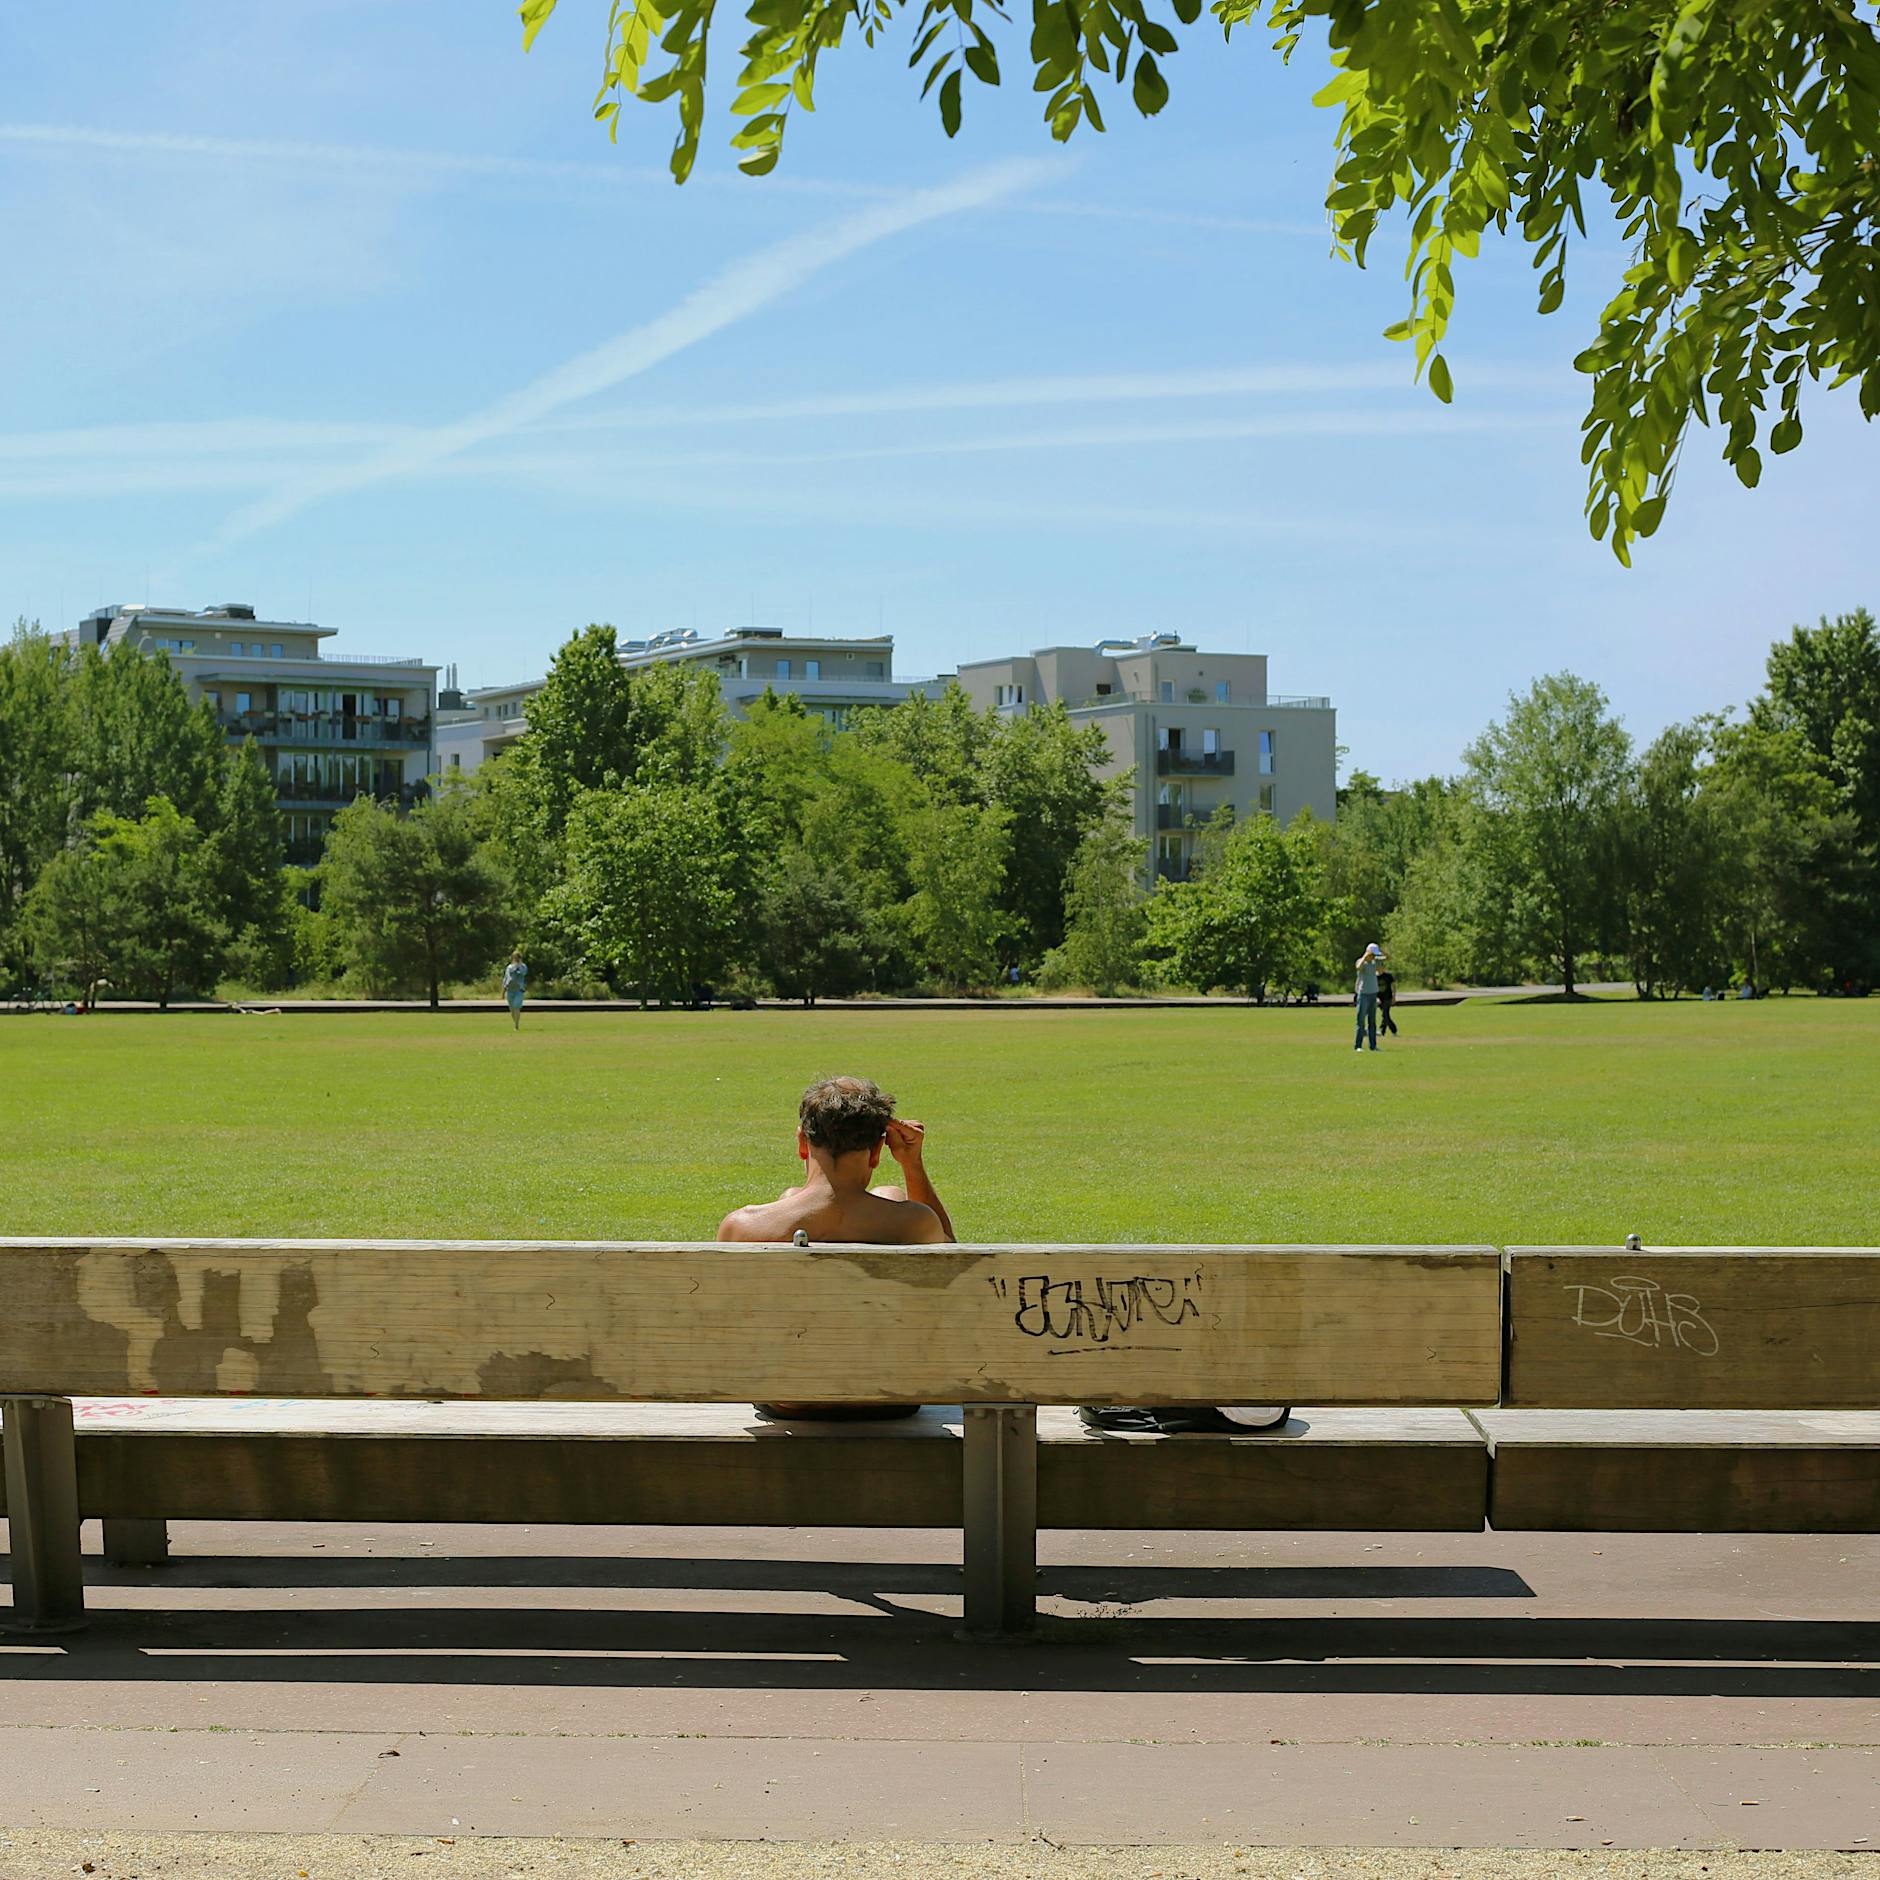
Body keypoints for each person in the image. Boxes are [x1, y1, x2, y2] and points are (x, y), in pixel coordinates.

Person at [718, 1075, 954, 1420]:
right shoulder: (915, 1224)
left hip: (788, 1398)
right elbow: (955, 1262)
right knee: (890, 1195)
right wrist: (911, 1163)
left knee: (793, 1198)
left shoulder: (742, 1227)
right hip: (889, 1399)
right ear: (876, 1153)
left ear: (802, 1143)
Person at [1353, 943, 1384, 1052]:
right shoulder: (1361, 962)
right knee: (1360, 1021)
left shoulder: (1375, 963)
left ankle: (1373, 1045)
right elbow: (1358, 967)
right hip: (1363, 994)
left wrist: (1380, 960)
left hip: (1373, 994)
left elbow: (1380, 972)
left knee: (1372, 1022)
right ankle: (1358, 1046)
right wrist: (1365, 956)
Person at [502, 951, 528, 1030]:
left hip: (519, 990)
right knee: (512, 1009)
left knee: (516, 1007)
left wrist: (519, 965)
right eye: (514, 958)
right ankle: (515, 1022)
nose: (515, 959)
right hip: (510, 989)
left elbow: (523, 973)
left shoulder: (523, 967)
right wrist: (503, 991)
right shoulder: (509, 967)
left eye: (517, 958)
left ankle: (516, 1025)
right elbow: (506, 979)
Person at [1377, 962, 1399, 1038]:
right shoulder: (1374, 977)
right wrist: (1376, 998)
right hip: (1380, 999)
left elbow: (1393, 986)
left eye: (1381, 967)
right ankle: (1393, 1031)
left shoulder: (1388, 976)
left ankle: (1383, 1031)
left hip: (1388, 998)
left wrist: (1394, 996)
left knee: (1385, 1014)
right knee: (1385, 1016)